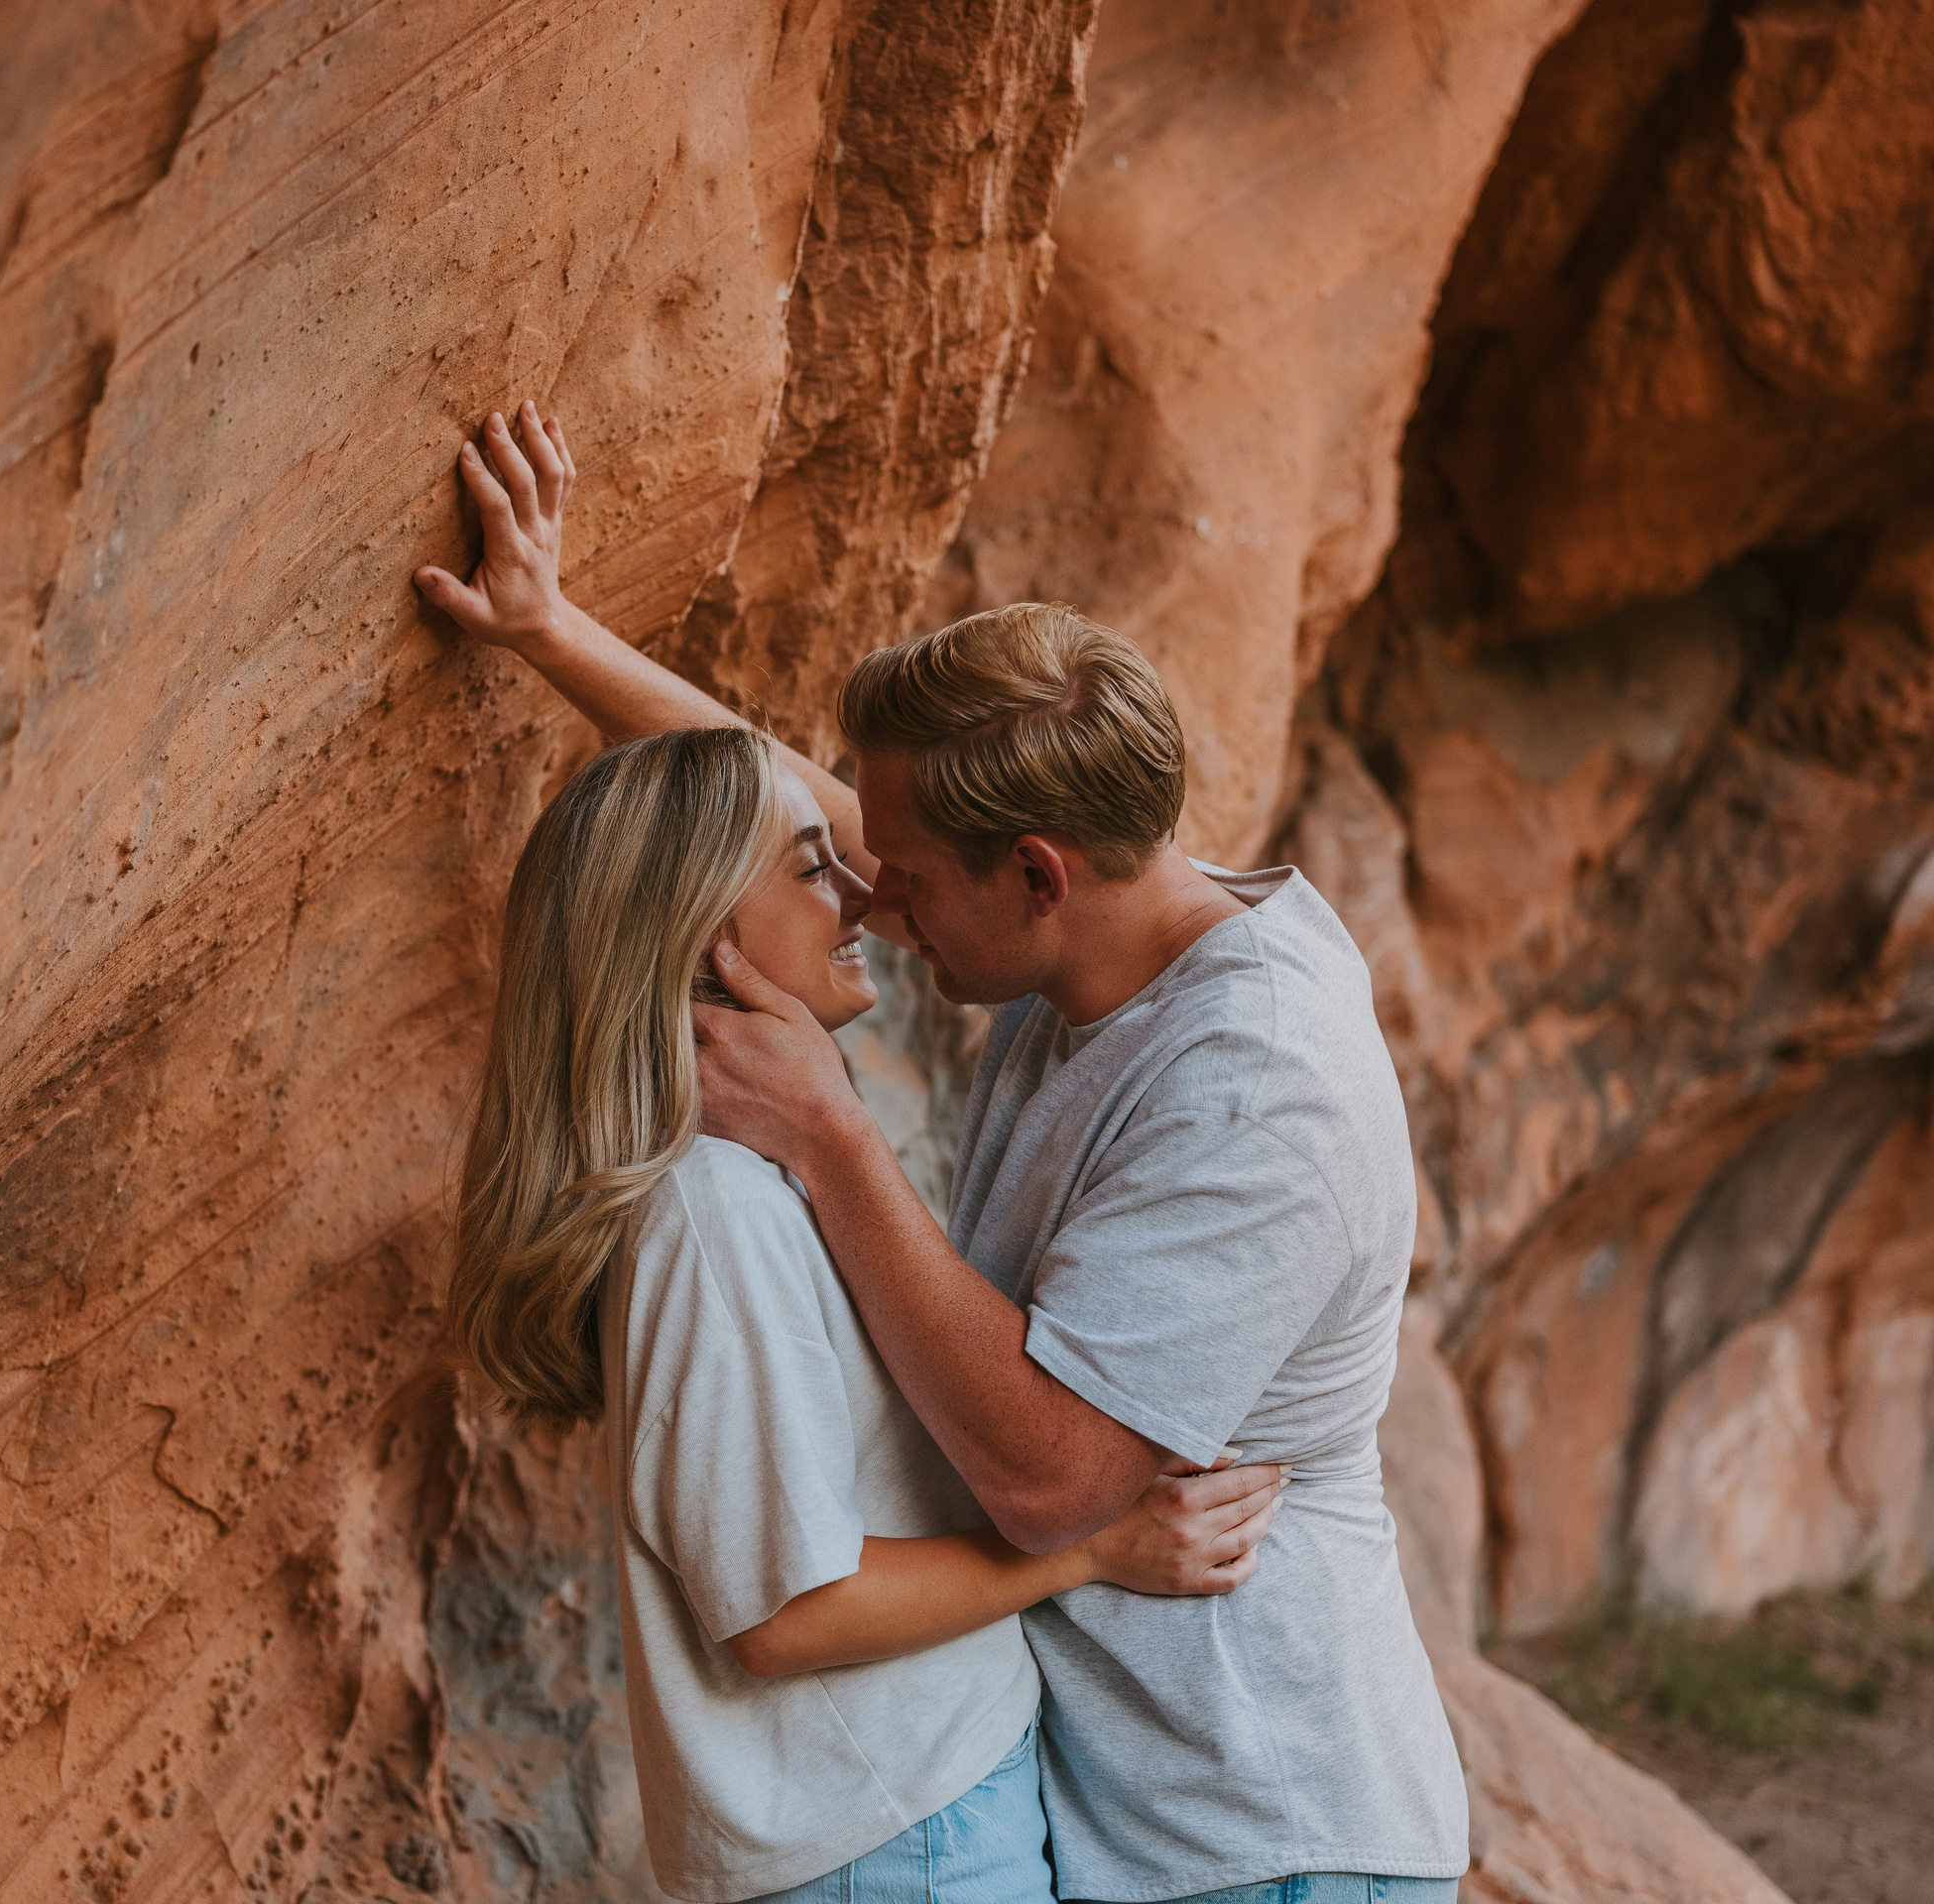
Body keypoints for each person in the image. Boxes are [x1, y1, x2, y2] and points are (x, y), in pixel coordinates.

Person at [418, 403, 1469, 1904]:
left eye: (898, 882)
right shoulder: (1095, 936)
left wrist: (835, 1138)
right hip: (1101, 1808)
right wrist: (550, 632)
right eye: (845, 871)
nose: (867, 899)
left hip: (1253, 1827)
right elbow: (766, 826)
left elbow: (1058, 1487)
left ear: (1035, 876)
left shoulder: (1257, 1088)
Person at [445, 721, 1284, 1903]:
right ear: (699, 935)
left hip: (907, 1818)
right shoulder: (711, 1212)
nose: (859, 894)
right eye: (808, 867)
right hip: (887, 1847)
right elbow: (785, 1613)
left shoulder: (760, 1180)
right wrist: (1091, 1547)